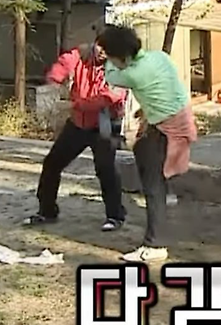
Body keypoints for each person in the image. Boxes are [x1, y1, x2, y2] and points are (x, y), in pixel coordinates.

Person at [99, 25, 198, 263]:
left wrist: (104, 59)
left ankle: (156, 244)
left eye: (110, 54)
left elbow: (110, 75)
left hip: (169, 127)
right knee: (144, 153)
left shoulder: (132, 74)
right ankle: (164, 193)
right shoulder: (158, 57)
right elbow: (164, 87)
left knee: (153, 185)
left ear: (120, 56)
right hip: (173, 118)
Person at [23, 36, 128, 231]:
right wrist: (54, 80)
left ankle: (115, 216)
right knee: (52, 163)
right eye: (100, 46)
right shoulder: (82, 55)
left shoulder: (120, 69)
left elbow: (107, 98)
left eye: (108, 49)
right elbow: (65, 62)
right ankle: (47, 211)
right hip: (78, 123)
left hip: (104, 124)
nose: (102, 52)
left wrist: (73, 105)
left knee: (106, 169)